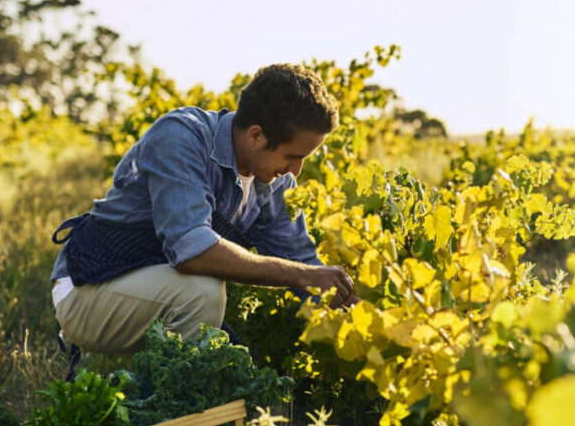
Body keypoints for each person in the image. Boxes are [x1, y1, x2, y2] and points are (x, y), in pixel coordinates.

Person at [50, 63, 358, 364]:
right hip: (88, 289)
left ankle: (166, 392)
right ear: (255, 136)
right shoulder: (181, 137)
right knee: (203, 292)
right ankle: (166, 411)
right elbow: (191, 251)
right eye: (293, 156)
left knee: (235, 369)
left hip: (154, 291)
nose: (296, 170)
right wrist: (304, 276)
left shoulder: (274, 183)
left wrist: (370, 322)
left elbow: (303, 264)